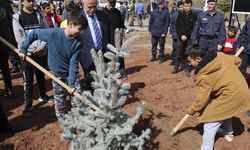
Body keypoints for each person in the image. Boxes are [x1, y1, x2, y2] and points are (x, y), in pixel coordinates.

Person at [19, 11, 88, 120]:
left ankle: (81, 122)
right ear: (71, 25)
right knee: (60, 102)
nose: (81, 32)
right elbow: (34, 34)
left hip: (71, 74)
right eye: (79, 29)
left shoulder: (78, 42)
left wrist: (71, 83)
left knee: (77, 98)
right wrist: (24, 48)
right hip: (57, 75)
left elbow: (74, 63)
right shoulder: (53, 33)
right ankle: (65, 125)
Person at [186, 44, 250, 150]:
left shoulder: (203, 76)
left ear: (198, 59)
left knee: (209, 123)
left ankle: (206, 148)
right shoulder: (220, 55)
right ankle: (228, 132)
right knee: (224, 110)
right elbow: (238, 61)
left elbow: (201, 101)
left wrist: (190, 110)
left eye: (189, 61)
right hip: (243, 91)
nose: (189, 64)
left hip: (231, 95)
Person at [13, 0, 50, 116]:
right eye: (29, 0)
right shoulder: (17, 17)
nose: (32, 2)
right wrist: (31, 48)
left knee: (40, 75)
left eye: (33, 0)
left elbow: (46, 31)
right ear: (23, 2)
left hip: (40, 52)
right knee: (28, 80)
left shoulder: (39, 15)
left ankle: (43, 95)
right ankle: (28, 105)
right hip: (27, 54)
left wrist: (42, 45)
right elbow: (19, 37)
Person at [80, 0, 111, 92]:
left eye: (95, 6)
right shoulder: (77, 17)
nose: (92, 9)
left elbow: (109, 34)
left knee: (105, 78)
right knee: (90, 80)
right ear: (83, 3)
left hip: (103, 53)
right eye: (89, 7)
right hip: (87, 55)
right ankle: (93, 102)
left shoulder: (103, 15)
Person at [102, 0, 127, 79]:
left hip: (117, 37)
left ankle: (122, 71)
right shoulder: (103, 13)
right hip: (107, 37)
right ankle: (110, 72)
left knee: (120, 54)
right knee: (108, 54)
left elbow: (121, 25)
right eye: (111, 4)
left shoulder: (117, 12)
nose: (112, 6)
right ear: (107, 2)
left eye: (113, 4)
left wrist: (123, 37)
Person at [172, 0, 197, 76]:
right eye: (185, 6)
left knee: (187, 54)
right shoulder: (180, 15)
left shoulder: (194, 16)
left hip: (188, 39)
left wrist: (187, 36)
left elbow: (193, 28)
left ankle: (187, 69)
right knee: (178, 53)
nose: (186, 8)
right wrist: (181, 35)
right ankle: (176, 67)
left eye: (188, 6)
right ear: (184, 6)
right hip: (180, 38)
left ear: (191, 6)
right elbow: (177, 27)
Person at [169, 0, 183, 66]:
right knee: (174, 48)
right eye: (179, 7)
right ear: (177, 7)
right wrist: (171, 32)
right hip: (175, 34)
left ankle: (181, 61)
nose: (181, 8)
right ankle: (174, 60)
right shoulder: (174, 14)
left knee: (182, 48)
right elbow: (172, 24)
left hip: (183, 35)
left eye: (182, 7)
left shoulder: (185, 14)